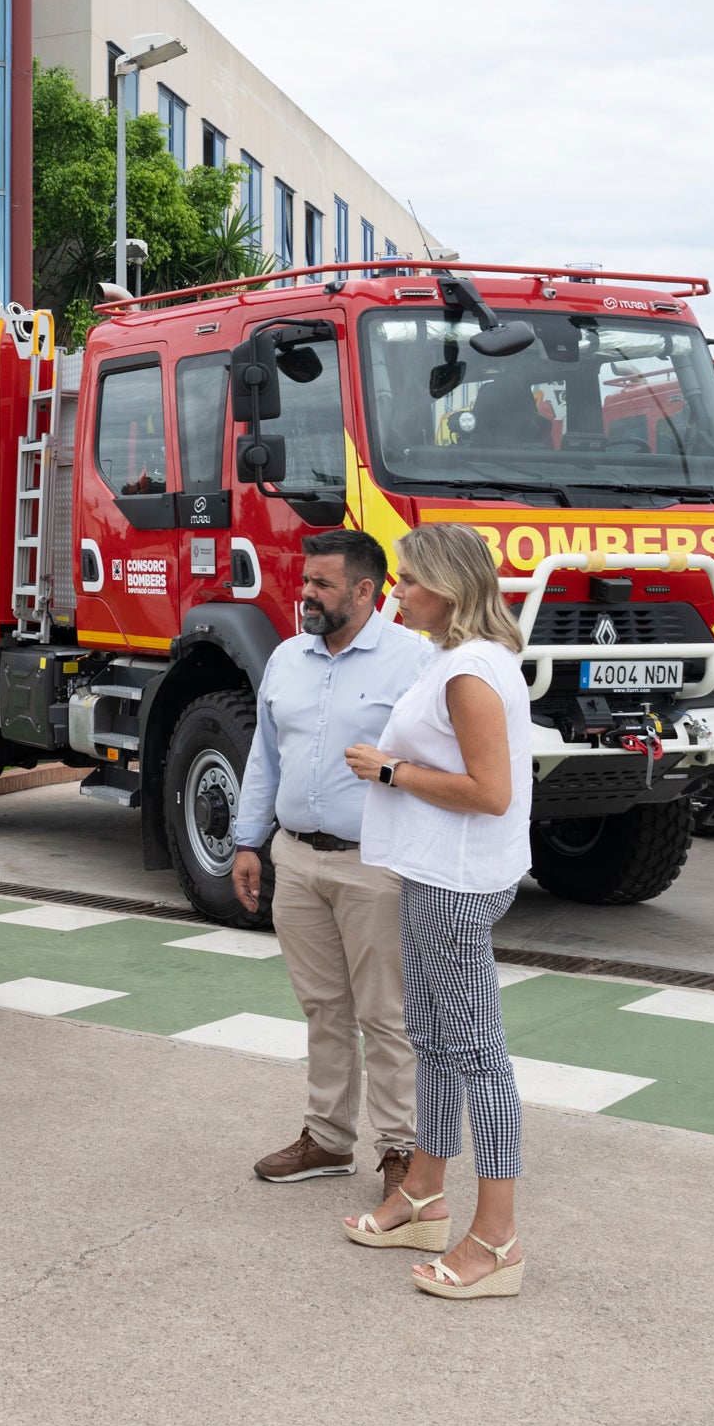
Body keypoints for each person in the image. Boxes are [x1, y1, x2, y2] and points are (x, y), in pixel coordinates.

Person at [337, 521, 535, 1300]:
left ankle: (497, 1238)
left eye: (409, 581)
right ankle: (423, 1195)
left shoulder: (469, 671)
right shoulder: (452, 658)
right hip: (432, 873)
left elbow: (490, 794)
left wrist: (391, 770)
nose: (396, 593)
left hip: (457, 881)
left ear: (450, 587)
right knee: (431, 1037)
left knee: (477, 1053)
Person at [228, 527, 433, 1205]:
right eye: (305, 580)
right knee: (322, 1007)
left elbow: (442, 764)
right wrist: (248, 843)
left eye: (321, 583)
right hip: (295, 858)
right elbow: (264, 757)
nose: (305, 594)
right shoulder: (286, 659)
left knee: (387, 1016)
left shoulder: (414, 662)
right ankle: (326, 1138)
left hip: (374, 865)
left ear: (366, 590)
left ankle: (401, 1152)